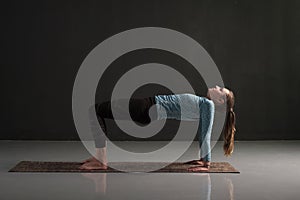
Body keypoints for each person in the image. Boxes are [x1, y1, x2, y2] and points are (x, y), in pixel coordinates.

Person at [79, 86, 236, 172]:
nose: (217, 87)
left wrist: (207, 162)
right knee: (97, 110)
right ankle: (99, 157)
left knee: (95, 110)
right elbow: (204, 132)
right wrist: (204, 159)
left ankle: (101, 160)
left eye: (221, 89)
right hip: (147, 107)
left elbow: (205, 133)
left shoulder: (208, 105)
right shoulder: (204, 105)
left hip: (146, 107)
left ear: (220, 100)